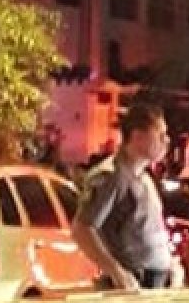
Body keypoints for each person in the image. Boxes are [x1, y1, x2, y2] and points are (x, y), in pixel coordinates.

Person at [72, 102, 174, 291]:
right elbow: (82, 229)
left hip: (156, 281)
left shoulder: (144, 177)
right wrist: (117, 272)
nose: (166, 141)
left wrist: (171, 263)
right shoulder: (111, 176)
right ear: (137, 136)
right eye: (160, 134)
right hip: (133, 283)